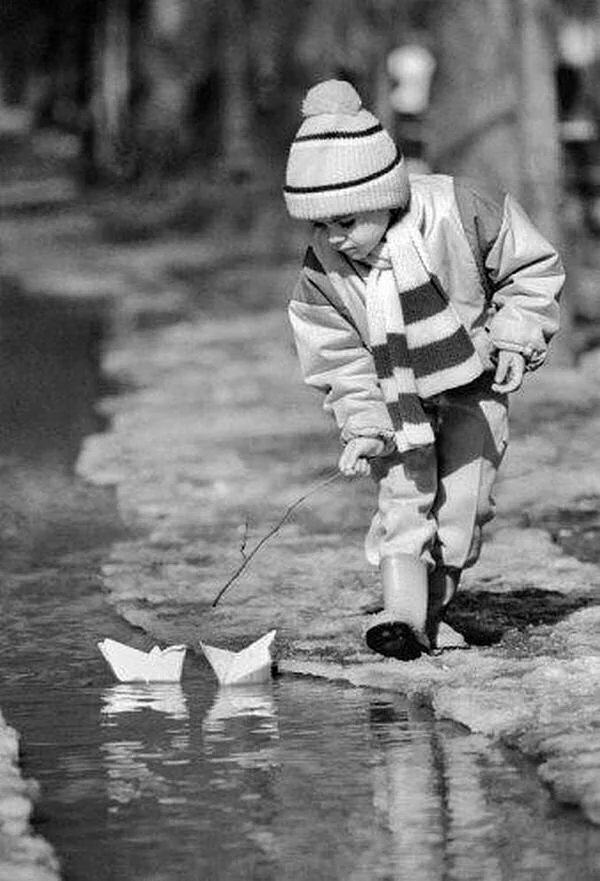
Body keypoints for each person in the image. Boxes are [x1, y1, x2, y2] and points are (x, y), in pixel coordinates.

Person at [283, 79, 564, 661]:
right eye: (319, 226)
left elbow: (528, 270)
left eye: (346, 221)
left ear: (384, 195)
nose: (335, 238)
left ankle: (433, 615)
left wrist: (515, 337)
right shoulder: (324, 271)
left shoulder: (458, 211)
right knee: (403, 500)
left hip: (475, 380)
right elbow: (338, 353)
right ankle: (402, 619)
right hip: (395, 400)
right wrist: (364, 423)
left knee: (464, 503)